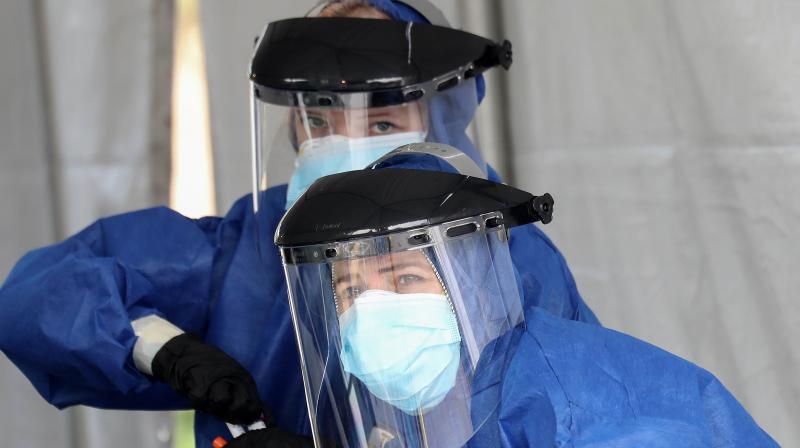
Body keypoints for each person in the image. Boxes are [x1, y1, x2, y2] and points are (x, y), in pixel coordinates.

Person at [0, 1, 592, 447]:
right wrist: (163, 349)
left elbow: (579, 417)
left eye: (382, 123)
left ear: (440, 118)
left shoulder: (507, 256)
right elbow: (40, 298)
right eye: (319, 119)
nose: (345, 144)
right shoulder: (254, 244)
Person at [266, 159, 777, 447]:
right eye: (351, 291)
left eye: (403, 277)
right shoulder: (461, 393)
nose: (373, 312)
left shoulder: (580, 410)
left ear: (474, 286)